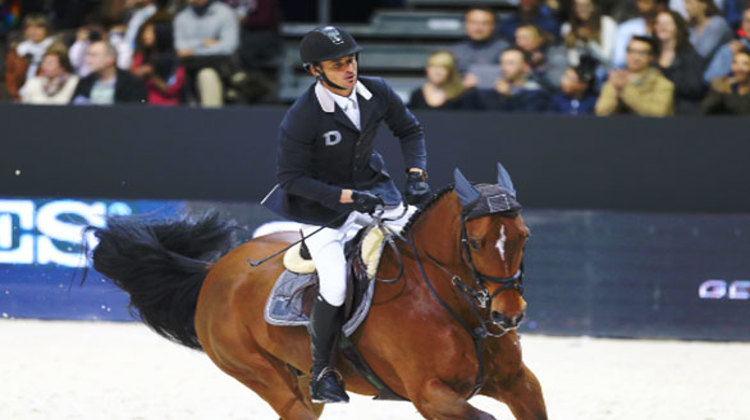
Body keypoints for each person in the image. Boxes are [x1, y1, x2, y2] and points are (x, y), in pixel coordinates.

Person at [262, 26, 431, 404]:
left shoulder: (377, 91)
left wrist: (417, 173)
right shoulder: (302, 116)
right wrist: (347, 197)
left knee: (422, 250)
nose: (349, 68)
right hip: (321, 210)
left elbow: (410, 130)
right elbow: (290, 179)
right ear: (315, 71)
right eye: (338, 64)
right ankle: (323, 371)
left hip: (375, 190)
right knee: (335, 283)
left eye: (351, 60)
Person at [174, 0, 239, 106]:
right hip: (188, 67)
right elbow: (179, 46)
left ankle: (211, 119)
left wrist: (193, 51)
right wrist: (202, 43)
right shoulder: (182, 17)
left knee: (207, 75)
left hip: (220, 67)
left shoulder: (225, 13)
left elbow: (228, 47)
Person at [595, 35, 675, 115]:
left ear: (651, 57)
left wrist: (625, 89)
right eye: (631, 51)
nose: (635, 57)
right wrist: (615, 89)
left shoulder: (663, 85)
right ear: (626, 54)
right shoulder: (615, 80)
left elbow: (658, 114)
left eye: (642, 53)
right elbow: (601, 112)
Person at [654, 10, 706, 113]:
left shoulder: (690, 56)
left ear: (677, 27)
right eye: (658, 23)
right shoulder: (650, 54)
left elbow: (694, 87)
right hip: (651, 108)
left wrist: (664, 79)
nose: (661, 27)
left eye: (667, 23)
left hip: (680, 111)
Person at [70, 40, 148, 105]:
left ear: (110, 59)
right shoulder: (84, 82)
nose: (87, 60)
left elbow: (137, 111)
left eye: (93, 55)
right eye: (87, 55)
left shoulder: (132, 83)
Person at [451, 7, 511, 89]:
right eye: (473, 22)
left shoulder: (506, 50)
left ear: (493, 26)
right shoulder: (454, 52)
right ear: (466, 24)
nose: (478, 28)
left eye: (485, 23)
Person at [131, 16, 185, 105]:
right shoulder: (140, 57)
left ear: (162, 34)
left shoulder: (174, 61)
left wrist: (153, 75)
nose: (145, 36)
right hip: (141, 103)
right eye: (145, 32)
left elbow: (171, 89)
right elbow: (129, 76)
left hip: (165, 106)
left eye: (150, 32)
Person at [477, 47, 550, 111]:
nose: (504, 68)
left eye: (510, 63)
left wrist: (509, 96)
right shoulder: (494, 91)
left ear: (525, 67)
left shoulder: (536, 92)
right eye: (502, 63)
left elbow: (527, 120)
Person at [408, 50, 478, 110]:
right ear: (427, 69)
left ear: (451, 72)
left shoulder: (459, 95)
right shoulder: (417, 95)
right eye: (433, 66)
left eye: (443, 67)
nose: (437, 72)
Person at [561, 0, 618, 67]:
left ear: (593, 7)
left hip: (603, 69)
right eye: (577, 5)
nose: (581, 9)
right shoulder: (567, 27)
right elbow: (573, 62)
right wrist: (572, 47)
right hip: (581, 70)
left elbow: (607, 58)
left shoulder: (607, 23)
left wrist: (589, 41)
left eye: (585, 5)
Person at [612, 0, 667, 68]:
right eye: (639, 1)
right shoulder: (627, 27)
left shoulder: (669, 28)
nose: (640, 5)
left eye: (646, 2)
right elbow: (618, 61)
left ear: (660, 6)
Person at [514, 24, 570, 89]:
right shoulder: (520, 54)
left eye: (524, 38)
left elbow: (556, 83)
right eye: (517, 38)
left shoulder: (556, 55)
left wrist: (533, 73)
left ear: (539, 39)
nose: (519, 42)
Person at [704, 5, 750, 82]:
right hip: (732, 92)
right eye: (747, 21)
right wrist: (730, 57)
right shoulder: (730, 49)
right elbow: (709, 78)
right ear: (742, 25)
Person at [701, 47, 750, 113]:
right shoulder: (726, 85)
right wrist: (717, 91)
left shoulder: (726, 91)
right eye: (735, 63)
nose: (739, 68)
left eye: (745, 64)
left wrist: (724, 94)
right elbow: (704, 109)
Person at [16, 14, 55, 85]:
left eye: (38, 27)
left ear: (47, 29)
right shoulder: (21, 49)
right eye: (30, 28)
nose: (34, 31)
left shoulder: (54, 47)